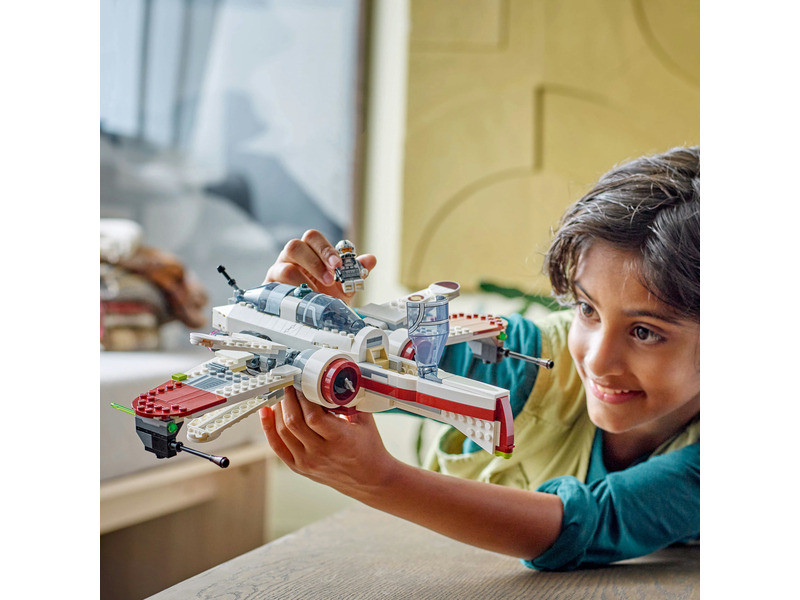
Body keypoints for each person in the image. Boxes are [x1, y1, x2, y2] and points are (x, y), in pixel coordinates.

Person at [259, 146, 700, 571]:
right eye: (587, 309)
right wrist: (311, 320)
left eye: (645, 332)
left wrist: (379, 479)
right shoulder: (526, 361)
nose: (598, 361)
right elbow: (378, 356)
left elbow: (588, 523)